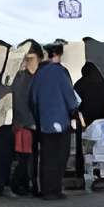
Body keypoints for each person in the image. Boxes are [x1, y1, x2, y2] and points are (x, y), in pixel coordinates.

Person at [32, 42, 80, 198]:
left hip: (44, 122)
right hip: (60, 121)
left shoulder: (39, 73)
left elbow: (33, 99)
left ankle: (46, 189)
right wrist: (74, 111)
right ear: (60, 54)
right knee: (60, 156)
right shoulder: (61, 72)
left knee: (47, 157)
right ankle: (55, 189)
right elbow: (70, 97)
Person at [10, 46, 40, 196]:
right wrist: (29, 122)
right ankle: (20, 184)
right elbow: (20, 102)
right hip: (26, 124)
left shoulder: (25, 77)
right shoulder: (23, 78)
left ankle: (23, 184)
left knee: (26, 156)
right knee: (26, 157)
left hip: (26, 122)